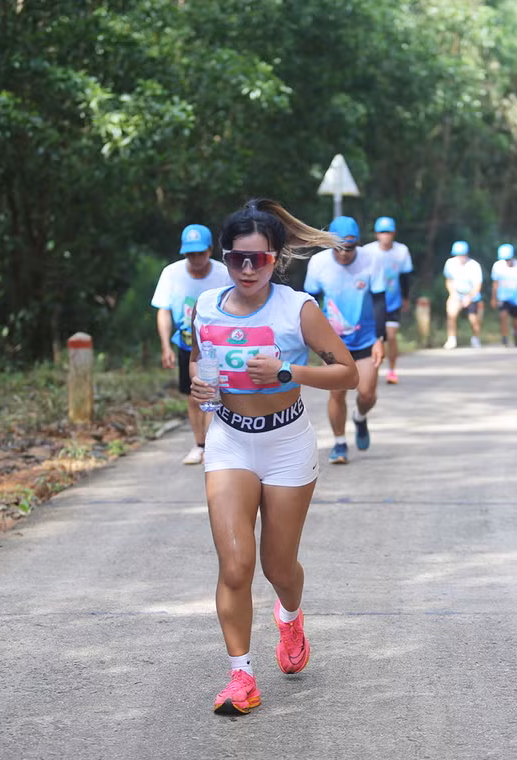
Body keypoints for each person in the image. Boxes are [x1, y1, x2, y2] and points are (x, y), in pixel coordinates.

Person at [188, 199, 359, 716]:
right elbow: (199, 360)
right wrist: (200, 385)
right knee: (235, 565)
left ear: (276, 259)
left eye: (258, 260)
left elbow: (347, 372)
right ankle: (241, 677)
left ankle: (289, 617)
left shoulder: (297, 308)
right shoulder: (206, 306)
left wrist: (288, 372)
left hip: (286, 443)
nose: (247, 269)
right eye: (236, 259)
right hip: (230, 440)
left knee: (278, 567)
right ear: (224, 257)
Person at [304, 215, 387, 464]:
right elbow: (308, 303)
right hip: (333, 342)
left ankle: (360, 417)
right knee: (337, 393)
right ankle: (339, 443)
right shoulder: (318, 263)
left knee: (367, 394)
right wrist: (312, 340)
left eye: (348, 248)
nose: (343, 254)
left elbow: (380, 301)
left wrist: (380, 339)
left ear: (357, 244)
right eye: (337, 248)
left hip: (366, 339)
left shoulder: (372, 260)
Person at [151, 223, 233, 465]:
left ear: (209, 250)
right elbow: (164, 311)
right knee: (194, 396)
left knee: (217, 395)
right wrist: (165, 346)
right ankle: (200, 445)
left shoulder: (223, 273)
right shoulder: (171, 274)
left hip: (219, 345)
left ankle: (214, 445)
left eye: (200, 253)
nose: (196, 258)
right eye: (190, 254)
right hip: (188, 345)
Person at [361, 216, 413, 384]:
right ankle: (372, 370)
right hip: (373, 303)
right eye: (382, 232)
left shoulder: (401, 251)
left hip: (392, 302)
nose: (385, 235)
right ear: (377, 234)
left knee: (390, 336)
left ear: (394, 233)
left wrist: (406, 298)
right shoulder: (367, 251)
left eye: (388, 232)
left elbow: (405, 277)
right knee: (374, 338)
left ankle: (391, 370)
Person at [442, 240, 484, 349]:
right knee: (451, 313)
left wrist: (469, 297)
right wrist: (453, 294)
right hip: (457, 293)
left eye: (462, 255)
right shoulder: (450, 263)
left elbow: (478, 285)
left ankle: (475, 338)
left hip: (472, 295)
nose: (460, 257)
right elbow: (449, 280)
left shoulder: (474, 265)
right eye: (458, 255)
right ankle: (451, 339)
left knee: (473, 319)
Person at [489, 243, 517, 347]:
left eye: (508, 259)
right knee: (503, 316)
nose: (507, 261)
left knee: (516, 320)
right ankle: (504, 337)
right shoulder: (497, 266)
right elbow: (495, 283)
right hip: (502, 297)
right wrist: (493, 298)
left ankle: (515, 332)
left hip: (516, 298)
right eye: (505, 259)